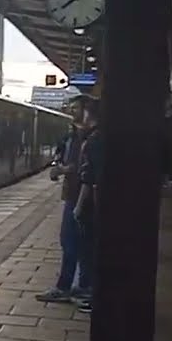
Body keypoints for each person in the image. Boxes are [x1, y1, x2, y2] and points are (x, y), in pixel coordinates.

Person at [36, 94, 96, 303]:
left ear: (87, 111)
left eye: (75, 108)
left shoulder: (89, 138)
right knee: (72, 242)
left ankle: (75, 287)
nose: (71, 111)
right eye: (70, 108)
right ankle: (77, 286)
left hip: (81, 198)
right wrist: (59, 168)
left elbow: (86, 171)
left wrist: (64, 169)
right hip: (72, 195)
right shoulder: (73, 136)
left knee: (75, 243)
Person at [72, 103, 102, 313]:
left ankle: (91, 292)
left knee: (89, 250)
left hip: (92, 208)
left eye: (77, 110)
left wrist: (79, 207)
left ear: (87, 113)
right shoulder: (99, 137)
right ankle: (89, 289)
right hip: (97, 207)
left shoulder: (93, 140)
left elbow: (89, 179)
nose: (74, 114)